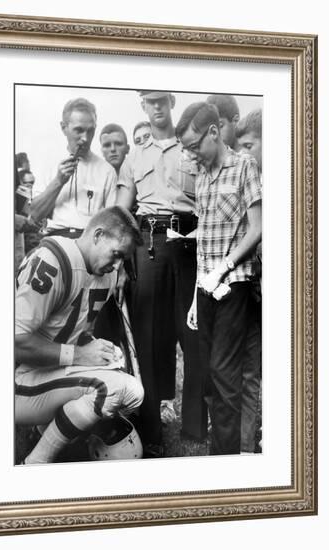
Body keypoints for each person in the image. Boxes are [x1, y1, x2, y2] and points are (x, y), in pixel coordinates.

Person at [15, 206, 144, 464]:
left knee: (128, 389)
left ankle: (59, 444)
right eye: (116, 254)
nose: (118, 265)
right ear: (97, 235)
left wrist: (97, 349)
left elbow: (72, 331)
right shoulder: (53, 260)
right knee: (117, 388)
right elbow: (13, 342)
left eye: (124, 260)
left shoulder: (103, 275)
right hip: (11, 381)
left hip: (42, 375)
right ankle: (35, 464)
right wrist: (80, 354)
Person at [117, 90, 206, 457]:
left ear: (171, 101)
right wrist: (122, 259)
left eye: (161, 100)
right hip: (149, 243)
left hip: (190, 245)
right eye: (148, 101)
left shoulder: (192, 148)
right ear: (142, 105)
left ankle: (195, 427)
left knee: (195, 336)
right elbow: (123, 209)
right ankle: (150, 430)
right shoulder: (133, 157)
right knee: (149, 339)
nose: (155, 107)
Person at [176, 101, 262, 455]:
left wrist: (224, 267)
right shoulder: (202, 177)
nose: (193, 154)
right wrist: (196, 299)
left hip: (233, 284)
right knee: (209, 378)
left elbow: (258, 228)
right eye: (188, 149)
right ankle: (220, 453)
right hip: (206, 290)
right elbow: (203, 244)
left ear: (214, 132)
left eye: (195, 146)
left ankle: (228, 461)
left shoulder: (244, 166)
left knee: (225, 375)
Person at [30, 98, 117, 238]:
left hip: (90, 243)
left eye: (91, 131)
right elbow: (35, 215)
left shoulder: (107, 171)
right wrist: (58, 181)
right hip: (55, 240)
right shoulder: (49, 163)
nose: (86, 138)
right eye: (79, 130)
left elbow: (111, 225)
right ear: (63, 128)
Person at [236, 108, 263, 453]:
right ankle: (246, 445)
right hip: (254, 289)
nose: (244, 154)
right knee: (250, 368)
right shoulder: (250, 182)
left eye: (249, 145)